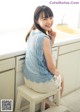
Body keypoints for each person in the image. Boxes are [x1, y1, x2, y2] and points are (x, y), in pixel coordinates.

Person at [23, 5, 64, 96]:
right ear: (37, 20)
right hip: (40, 84)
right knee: (61, 77)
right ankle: (55, 105)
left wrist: (52, 39)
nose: (49, 21)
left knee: (52, 76)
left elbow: (45, 49)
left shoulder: (32, 33)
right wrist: (58, 74)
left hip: (28, 79)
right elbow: (51, 67)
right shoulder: (44, 38)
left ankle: (46, 104)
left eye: (51, 17)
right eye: (45, 19)